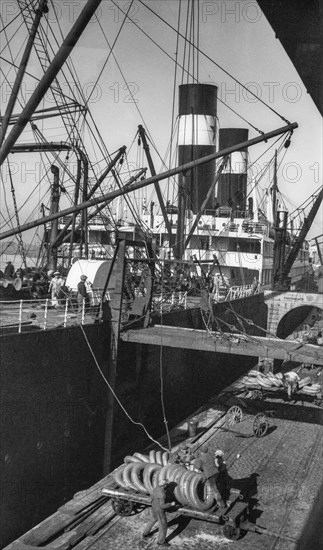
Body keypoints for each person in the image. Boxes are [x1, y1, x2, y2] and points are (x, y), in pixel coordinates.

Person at [142, 481, 175, 546]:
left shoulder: (156, 488)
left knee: (152, 520)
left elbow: (152, 497)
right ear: (164, 485)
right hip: (159, 511)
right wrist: (171, 504)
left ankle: (145, 534)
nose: (167, 485)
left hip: (154, 507)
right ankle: (161, 541)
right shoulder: (162, 494)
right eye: (166, 484)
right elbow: (162, 506)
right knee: (163, 525)